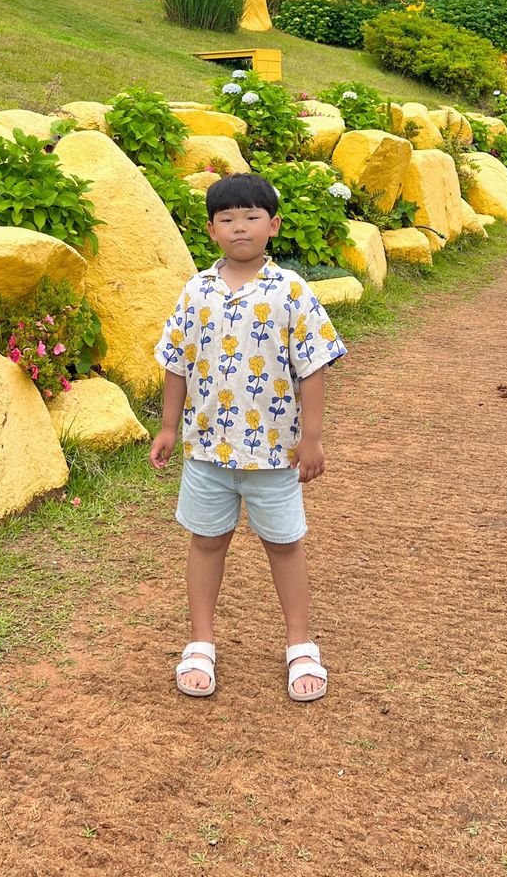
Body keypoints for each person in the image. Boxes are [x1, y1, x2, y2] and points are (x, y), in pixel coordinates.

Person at [150, 171, 347, 701]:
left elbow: (313, 367)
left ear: (274, 225)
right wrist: (169, 426)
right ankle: (200, 643)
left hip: (275, 453)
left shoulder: (291, 292)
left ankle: (300, 645)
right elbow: (176, 363)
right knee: (207, 541)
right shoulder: (196, 292)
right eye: (228, 219)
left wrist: (312, 437)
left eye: (252, 217)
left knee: (285, 545)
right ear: (211, 230)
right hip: (207, 450)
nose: (241, 227)